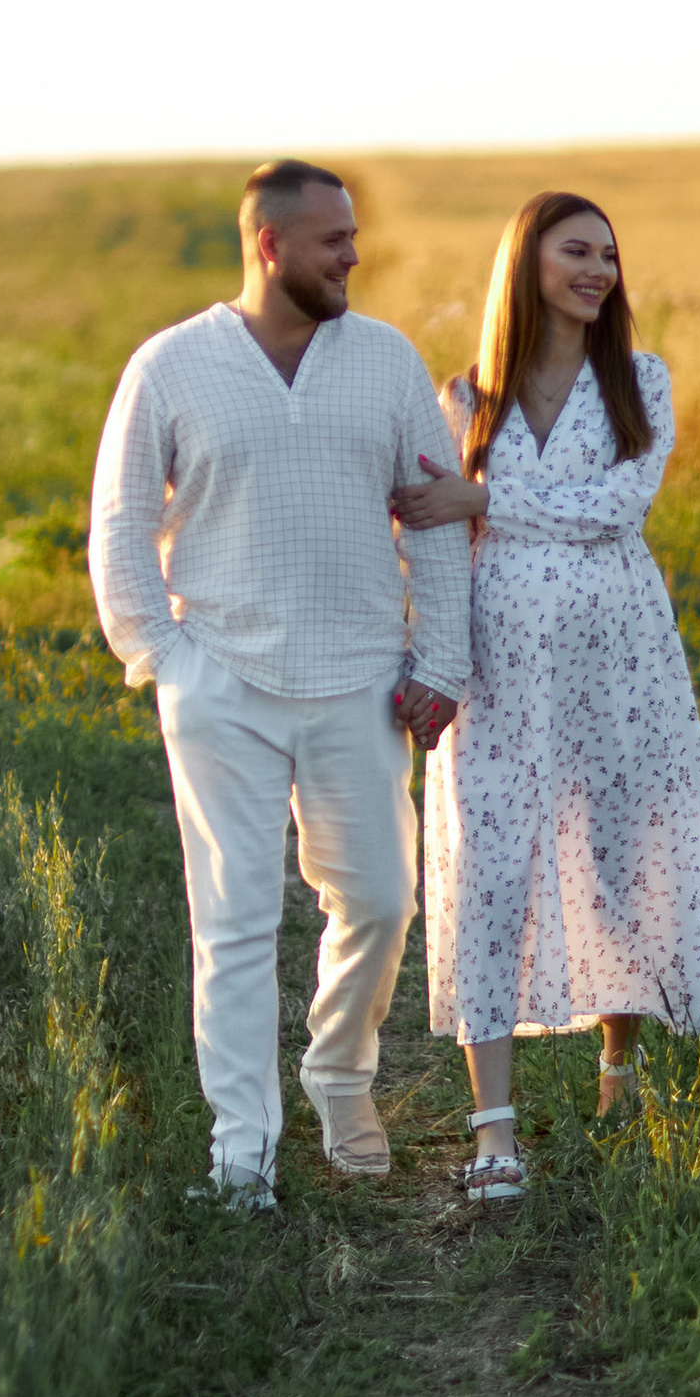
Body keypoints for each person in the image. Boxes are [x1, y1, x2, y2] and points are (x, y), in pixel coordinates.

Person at [88, 161, 470, 1208]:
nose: (354, 255)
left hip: (360, 679)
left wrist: (439, 661)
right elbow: (119, 526)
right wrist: (166, 660)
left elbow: (436, 514)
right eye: (331, 241)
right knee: (235, 919)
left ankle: (340, 1080)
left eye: (353, 236)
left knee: (381, 902)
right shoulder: (171, 367)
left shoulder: (386, 362)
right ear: (268, 246)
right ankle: (242, 1157)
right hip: (223, 683)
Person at [393, 190, 700, 1201]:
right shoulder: (463, 400)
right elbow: (431, 538)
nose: (600, 270)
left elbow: (618, 507)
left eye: (609, 255)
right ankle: (494, 1135)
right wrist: (427, 658)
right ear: (527, 263)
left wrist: (488, 499)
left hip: (620, 660)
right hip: (499, 670)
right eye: (577, 251)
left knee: (621, 851)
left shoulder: (640, 384)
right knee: (489, 868)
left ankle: (619, 1068)